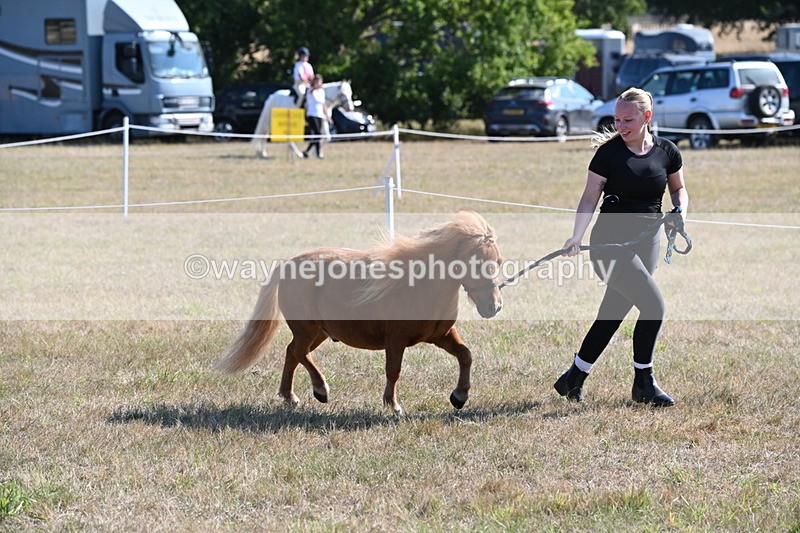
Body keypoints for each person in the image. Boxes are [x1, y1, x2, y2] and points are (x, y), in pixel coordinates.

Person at [554, 87, 689, 407]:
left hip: (648, 242)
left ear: (647, 117)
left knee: (613, 311)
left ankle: (573, 378)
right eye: (616, 119)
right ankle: (644, 383)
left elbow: (679, 189)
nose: (620, 125)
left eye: (627, 120)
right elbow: (589, 198)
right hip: (610, 243)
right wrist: (576, 236)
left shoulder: (667, 151)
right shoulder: (608, 154)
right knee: (654, 306)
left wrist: (680, 212)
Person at [302, 74, 331, 159]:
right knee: (318, 134)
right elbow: (311, 92)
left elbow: (323, 104)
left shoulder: (322, 92)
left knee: (318, 135)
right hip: (312, 114)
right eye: (317, 81)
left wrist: (327, 116)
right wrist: (315, 87)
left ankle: (307, 151)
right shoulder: (310, 90)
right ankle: (318, 154)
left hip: (320, 115)